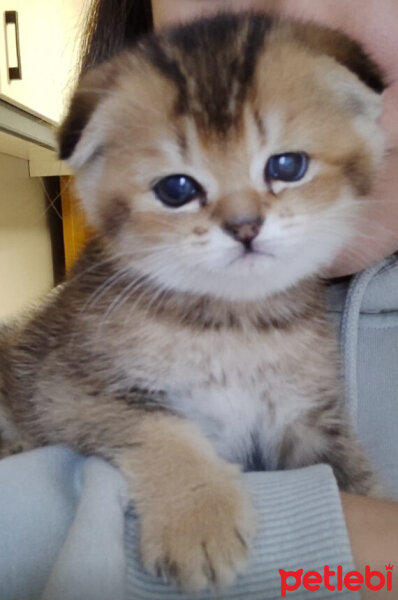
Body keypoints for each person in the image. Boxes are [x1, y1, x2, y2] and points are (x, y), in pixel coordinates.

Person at [0, 1, 397, 599]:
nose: (243, 221)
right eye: (179, 188)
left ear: (362, 116)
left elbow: (321, 447)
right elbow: (63, 399)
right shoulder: (111, 312)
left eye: (283, 165)